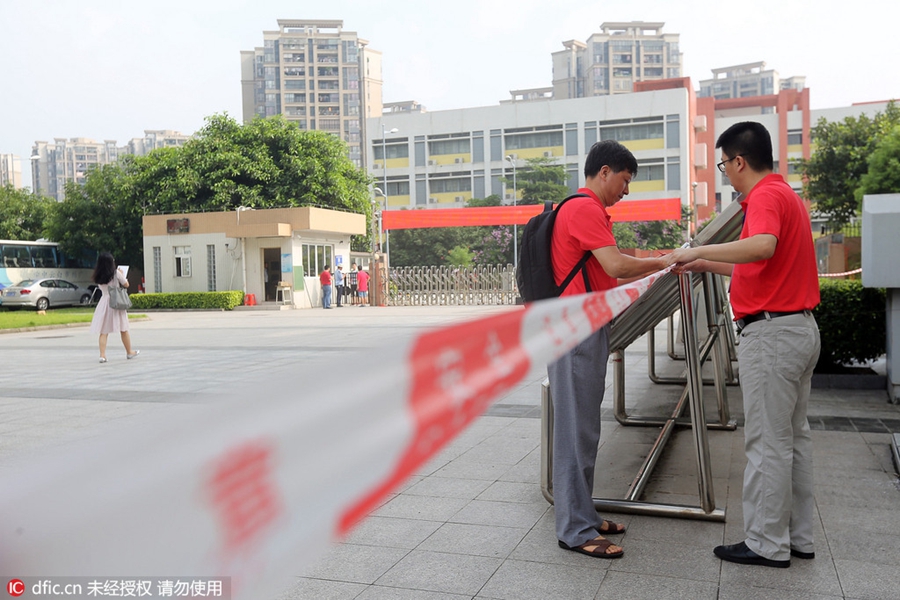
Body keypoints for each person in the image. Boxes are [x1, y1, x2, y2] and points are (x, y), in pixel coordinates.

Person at [665, 121, 820, 568]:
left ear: (738, 160)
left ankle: (766, 545)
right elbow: (756, 265)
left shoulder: (766, 197)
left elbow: (762, 247)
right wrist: (704, 261)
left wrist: (691, 251)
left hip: (773, 336)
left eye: (723, 164)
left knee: (768, 443)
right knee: (793, 439)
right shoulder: (787, 195)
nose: (724, 174)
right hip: (798, 330)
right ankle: (797, 538)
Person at [550, 140, 667, 559]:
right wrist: (664, 261)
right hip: (575, 329)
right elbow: (617, 265)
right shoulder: (582, 209)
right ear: (603, 172)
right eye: (624, 180)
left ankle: (582, 512)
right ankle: (575, 530)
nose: (626, 190)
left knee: (584, 428)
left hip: (582, 326)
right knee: (576, 431)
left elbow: (607, 275)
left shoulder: (587, 211)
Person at [89, 252, 139, 363]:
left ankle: (102, 355)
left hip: (104, 302)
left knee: (104, 331)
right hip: (116, 302)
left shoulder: (98, 275)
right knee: (124, 329)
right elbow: (126, 284)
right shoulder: (116, 273)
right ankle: (129, 351)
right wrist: (122, 274)